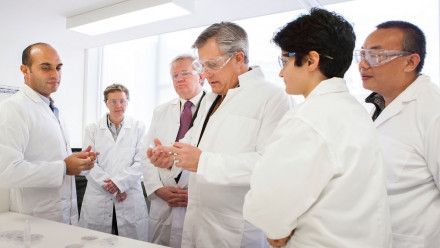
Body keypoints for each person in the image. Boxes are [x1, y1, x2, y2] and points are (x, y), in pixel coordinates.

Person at [243, 8, 392, 248]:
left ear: (311, 60)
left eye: (285, 60)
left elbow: (269, 203)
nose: (281, 72)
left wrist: (275, 229)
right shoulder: (355, 111)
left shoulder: (307, 120)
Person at [150, 22, 292, 247]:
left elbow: (270, 165)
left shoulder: (272, 97)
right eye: (202, 65)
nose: (205, 74)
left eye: (213, 65)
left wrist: (203, 162)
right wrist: (172, 156)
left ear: (238, 58)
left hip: (235, 228)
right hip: (197, 222)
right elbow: (195, 138)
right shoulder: (211, 98)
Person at [356, 20, 440, 247]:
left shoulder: (433, 111)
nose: (363, 64)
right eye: (361, 54)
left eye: (377, 56)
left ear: (410, 61)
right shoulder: (376, 106)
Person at [0, 42, 97, 224]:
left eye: (58, 68)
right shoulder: (13, 109)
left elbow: (52, 157)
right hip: (33, 219)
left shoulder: (52, 109)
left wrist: (78, 162)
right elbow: (5, 172)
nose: (55, 74)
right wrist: (63, 168)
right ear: (25, 70)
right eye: (45, 68)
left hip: (62, 214)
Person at [142, 54, 205, 247]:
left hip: (197, 201)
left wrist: (196, 193)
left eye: (185, 73)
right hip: (163, 201)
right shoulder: (161, 111)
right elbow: (147, 154)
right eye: (174, 75)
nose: (179, 79)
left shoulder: (216, 108)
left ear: (201, 77)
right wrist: (157, 188)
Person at [78, 84, 149, 241]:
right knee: (96, 241)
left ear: (128, 102)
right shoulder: (93, 129)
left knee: (131, 242)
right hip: (100, 194)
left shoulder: (139, 127)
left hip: (128, 194)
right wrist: (114, 187)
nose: (118, 106)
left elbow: (141, 162)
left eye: (122, 101)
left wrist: (119, 183)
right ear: (106, 103)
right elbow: (88, 162)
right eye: (113, 101)